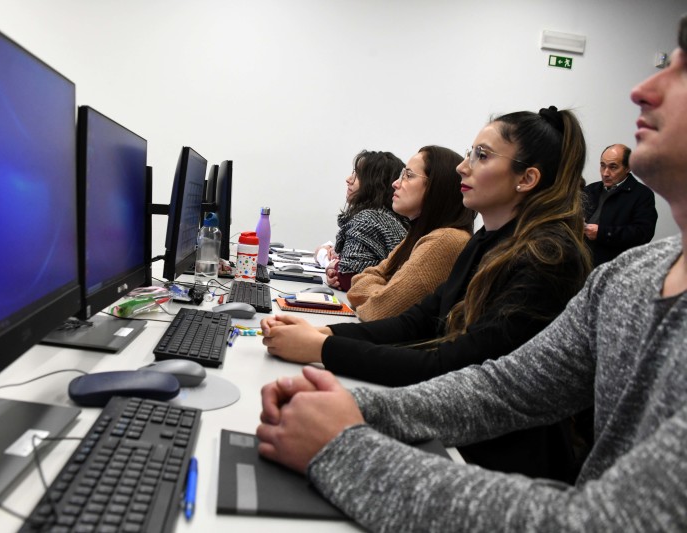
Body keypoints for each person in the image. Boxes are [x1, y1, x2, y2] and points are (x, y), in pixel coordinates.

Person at [256, 15, 687, 532]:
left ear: (527, 179)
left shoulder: (551, 255)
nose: (641, 89)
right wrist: (353, 405)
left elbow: (603, 522)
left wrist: (341, 439)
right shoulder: (626, 279)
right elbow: (498, 386)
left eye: (684, 67)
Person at [261, 106, 592, 479]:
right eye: (469, 153)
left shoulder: (547, 258)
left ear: (527, 178)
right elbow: (419, 320)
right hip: (458, 429)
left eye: (481, 156)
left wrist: (322, 349)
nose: (462, 167)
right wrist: (326, 333)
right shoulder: (486, 241)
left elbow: (452, 364)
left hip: (504, 462)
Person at [346, 146, 475, 321]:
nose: (396, 183)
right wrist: (381, 294)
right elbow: (358, 284)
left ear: (437, 186)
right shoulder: (419, 234)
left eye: (408, 175)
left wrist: (380, 296)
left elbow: (380, 312)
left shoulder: (445, 240)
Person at [316, 150, 408, 291]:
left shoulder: (368, 219)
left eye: (357, 175)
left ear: (375, 184)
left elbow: (347, 278)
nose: (348, 179)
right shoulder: (390, 218)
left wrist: (324, 258)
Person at [583, 143, 658, 265]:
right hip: (581, 264)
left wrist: (602, 233)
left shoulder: (641, 194)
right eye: (602, 166)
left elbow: (643, 233)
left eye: (613, 167)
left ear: (628, 167)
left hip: (614, 266)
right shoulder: (590, 190)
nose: (605, 173)